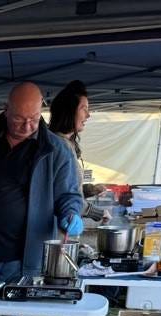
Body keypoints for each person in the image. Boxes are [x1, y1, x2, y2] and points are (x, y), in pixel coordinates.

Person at [0, 82, 83, 289]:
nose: (27, 126)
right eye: (19, 119)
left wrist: (71, 213)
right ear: (6, 109)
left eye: (34, 119)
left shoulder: (56, 150)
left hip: (23, 258)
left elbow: (68, 195)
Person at [49, 80, 110, 223]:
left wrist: (91, 189)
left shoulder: (62, 143)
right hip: (56, 231)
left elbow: (64, 185)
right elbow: (63, 197)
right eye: (84, 109)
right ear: (69, 111)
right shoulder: (58, 147)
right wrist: (97, 212)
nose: (88, 115)